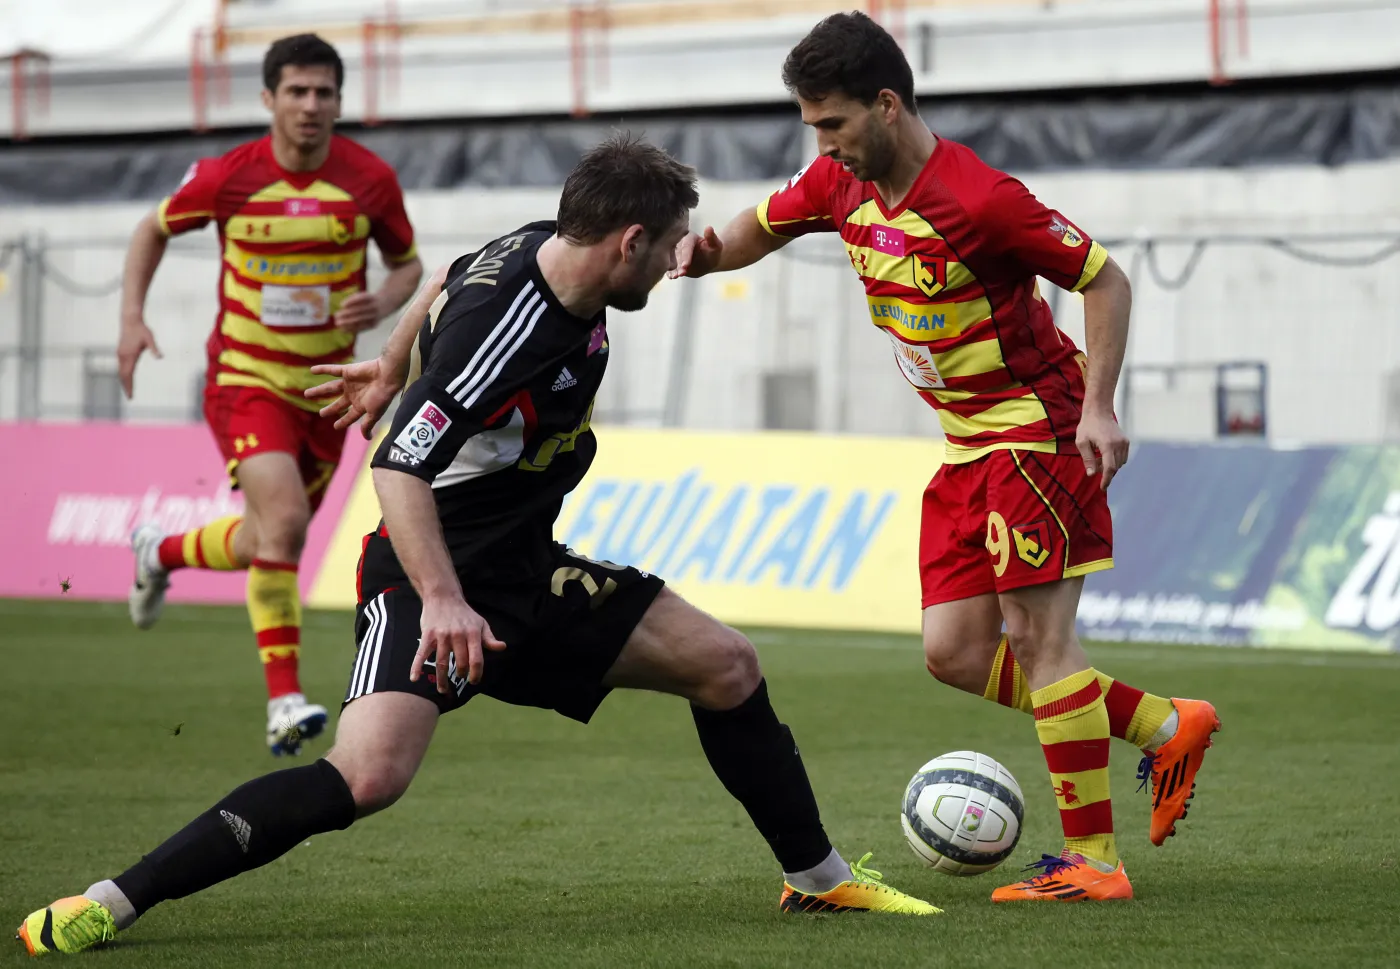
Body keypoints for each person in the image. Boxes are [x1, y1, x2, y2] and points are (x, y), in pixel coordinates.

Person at [15, 134, 938, 958]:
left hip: (523, 566)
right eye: (664, 250)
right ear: (626, 242)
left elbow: (453, 270)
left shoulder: (549, 241)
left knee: (728, 665)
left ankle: (818, 880)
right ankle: (110, 901)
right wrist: (445, 595)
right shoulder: (510, 342)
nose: (670, 266)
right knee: (366, 775)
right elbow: (396, 470)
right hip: (434, 578)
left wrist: (390, 356)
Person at [669, 12, 1220, 902]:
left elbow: (1105, 278)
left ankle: (1096, 862)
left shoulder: (983, 199)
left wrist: (1101, 405)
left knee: (1043, 642)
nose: (823, 143)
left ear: (887, 105)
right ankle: (1163, 724)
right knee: (955, 651)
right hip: (966, 448)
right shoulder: (836, 185)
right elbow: (761, 224)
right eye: (813, 127)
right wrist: (706, 253)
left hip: (1036, 432)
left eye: (833, 123)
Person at [116, 34, 424, 755]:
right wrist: (132, 316)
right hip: (245, 378)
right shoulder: (229, 177)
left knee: (267, 538)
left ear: (340, 102)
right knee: (283, 522)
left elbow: (408, 267)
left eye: (324, 93)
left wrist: (380, 301)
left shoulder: (370, 180)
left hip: (328, 392)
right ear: (268, 99)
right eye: (297, 91)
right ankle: (284, 701)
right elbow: (149, 229)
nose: (311, 105)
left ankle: (157, 551)